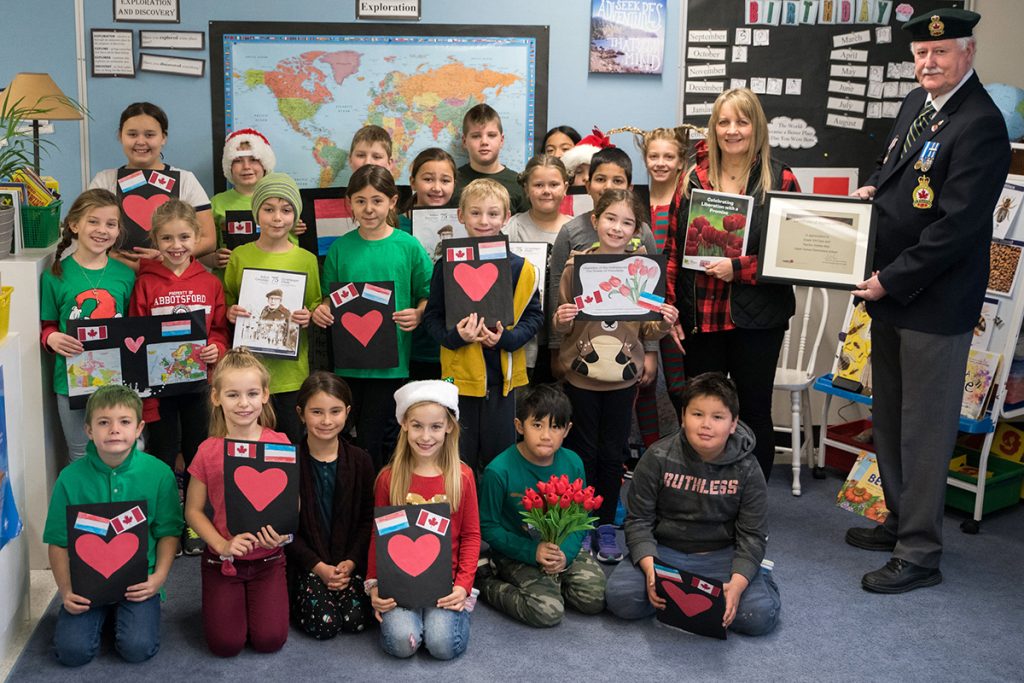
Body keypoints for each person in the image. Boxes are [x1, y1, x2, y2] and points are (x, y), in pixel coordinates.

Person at [846, 8, 1010, 594]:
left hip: (932, 303)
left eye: (940, 53)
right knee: (889, 417)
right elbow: (897, 169)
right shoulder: (920, 105)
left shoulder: (981, 123)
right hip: (893, 296)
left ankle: (919, 553)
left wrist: (891, 278)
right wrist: (873, 188)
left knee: (925, 428)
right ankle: (899, 519)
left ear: (966, 53)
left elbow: (957, 227)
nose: (928, 63)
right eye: (920, 54)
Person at [663, 88, 800, 480]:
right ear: (713, 127)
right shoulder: (693, 177)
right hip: (701, 314)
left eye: (742, 121)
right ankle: (701, 495)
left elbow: (790, 255)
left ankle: (750, 503)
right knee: (701, 409)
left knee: (754, 408)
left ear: (756, 126)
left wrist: (737, 269)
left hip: (758, 318)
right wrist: (669, 307)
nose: (732, 130)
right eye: (724, 122)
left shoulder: (781, 176)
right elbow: (673, 249)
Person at [604, 372, 780, 636]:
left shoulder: (748, 468)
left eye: (717, 417)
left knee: (756, 617)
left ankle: (759, 577)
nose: (706, 424)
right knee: (621, 599)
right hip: (665, 553)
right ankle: (684, 596)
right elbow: (638, 521)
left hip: (721, 555)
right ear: (683, 416)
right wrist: (652, 571)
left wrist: (738, 582)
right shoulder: (657, 456)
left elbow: (753, 535)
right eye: (697, 414)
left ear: (733, 424)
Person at [553, 189, 677, 563]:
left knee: (612, 455)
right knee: (581, 453)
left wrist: (665, 322)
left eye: (627, 222)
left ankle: (606, 524)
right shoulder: (577, 268)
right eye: (610, 219)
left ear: (637, 229)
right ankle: (580, 523)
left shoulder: (643, 271)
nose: (617, 228)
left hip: (623, 381)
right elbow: (561, 322)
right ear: (595, 221)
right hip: (580, 378)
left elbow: (649, 330)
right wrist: (562, 320)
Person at [43, 385, 183, 666]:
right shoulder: (69, 479)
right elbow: (58, 541)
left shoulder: (159, 474)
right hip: (86, 585)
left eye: (124, 422)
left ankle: (122, 616)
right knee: (72, 653)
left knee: (137, 649)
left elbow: (168, 532)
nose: (114, 430)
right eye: (104, 423)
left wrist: (158, 579)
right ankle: (101, 617)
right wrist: (66, 590)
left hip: (139, 583)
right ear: (88, 431)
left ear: (139, 427)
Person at [312, 165, 432, 470]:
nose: (369, 209)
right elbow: (328, 295)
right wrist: (323, 308)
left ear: (392, 201)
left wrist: (419, 312)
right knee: (351, 436)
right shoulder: (340, 248)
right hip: (349, 362)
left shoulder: (408, 246)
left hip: (391, 364)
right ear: (349, 203)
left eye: (377, 200)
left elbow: (428, 292)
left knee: (380, 437)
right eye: (361, 201)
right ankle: (358, 496)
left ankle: (381, 497)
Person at [422, 179, 544, 474]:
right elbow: (432, 318)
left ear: (506, 218)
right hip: (459, 384)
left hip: (502, 386)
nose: (484, 221)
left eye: (492, 214)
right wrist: (455, 337)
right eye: (475, 213)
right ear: (461, 216)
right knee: (457, 461)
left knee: (499, 464)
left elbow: (534, 317)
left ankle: (493, 520)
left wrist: (507, 339)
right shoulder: (445, 266)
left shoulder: (522, 268)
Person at [128, 199, 229, 555]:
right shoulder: (145, 283)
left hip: (200, 386)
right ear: (155, 240)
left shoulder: (209, 282)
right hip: (159, 390)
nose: (176, 246)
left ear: (197, 236)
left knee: (200, 453)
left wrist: (216, 347)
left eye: (184, 236)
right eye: (167, 238)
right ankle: (165, 523)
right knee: (162, 454)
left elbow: (218, 330)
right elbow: (135, 337)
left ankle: (195, 523)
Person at [184, 348, 291, 657]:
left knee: (270, 640)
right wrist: (221, 545)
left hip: (269, 560)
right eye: (233, 395)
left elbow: (291, 505)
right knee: (225, 645)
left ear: (265, 395)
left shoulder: (280, 444)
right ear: (216, 398)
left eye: (252, 393)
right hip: (223, 561)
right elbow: (192, 510)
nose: (243, 403)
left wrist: (283, 533)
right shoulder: (208, 450)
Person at [365, 380, 480, 660]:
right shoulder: (388, 479)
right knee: (403, 643)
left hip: (446, 585)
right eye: (417, 425)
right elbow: (378, 535)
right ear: (404, 424)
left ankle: (440, 620)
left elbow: (471, 535)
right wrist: (374, 585)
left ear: (449, 427)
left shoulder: (462, 477)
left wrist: (462, 586)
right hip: (399, 585)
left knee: (442, 646)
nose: (426, 436)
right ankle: (417, 623)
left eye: (435, 427)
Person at [477, 384, 606, 627]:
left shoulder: (573, 462)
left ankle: (551, 583)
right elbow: (488, 526)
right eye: (537, 425)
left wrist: (565, 556)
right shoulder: (499, 471)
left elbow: (580, 517)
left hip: (561, 549)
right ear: (519, 426)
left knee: (594, 599)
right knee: (547, 612)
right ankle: (485, 579)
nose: (546, 435)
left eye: (555, 426)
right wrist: (531, 552)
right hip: (516, 551)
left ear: (567, 430)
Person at [547, 146, 661, 380]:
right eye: (600, 179)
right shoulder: (570, 231)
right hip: (581, 349)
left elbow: (651, 295)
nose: (608, 186)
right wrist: (555, 347)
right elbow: (557, 291)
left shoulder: (643, 233)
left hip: (627, 349)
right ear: (587, 185)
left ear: (629, 188)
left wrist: (651, 351)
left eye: (617, 180)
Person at [224, 173, 322, 444]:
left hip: (291, 375)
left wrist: (308, 315)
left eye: (286, 210)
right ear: (257, 214)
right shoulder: (240, 256)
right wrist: (230, 312)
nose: (277, 217)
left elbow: (314, 303)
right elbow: (228, 299)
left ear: (295, 215)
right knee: (248, 442)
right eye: (268, 209)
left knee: (290, 444)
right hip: (246, 373)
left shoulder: (306, 259)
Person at [40, 189, 135, 462]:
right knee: (80, 453)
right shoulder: (55, 276)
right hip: (70, 382)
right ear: (74, 225)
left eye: (110, 224)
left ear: (118, 231)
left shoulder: (125, 275)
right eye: (93, 221)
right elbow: (47, 325)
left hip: (117, 381)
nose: (102, 230)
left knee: (124, 451)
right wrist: (51, 338)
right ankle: (85, 506)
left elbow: (132, 326)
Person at [287, 372, 375, 638]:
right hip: (307, 564)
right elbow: (285, 528)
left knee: (356, 620)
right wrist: (318, 566)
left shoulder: (361, 460)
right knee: (324, 625)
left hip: (348, 564)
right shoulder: (288, 461)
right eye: (317, 412)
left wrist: (350, 562)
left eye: (335, 411)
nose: (326, 420)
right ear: (301, 413)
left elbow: (367, 520)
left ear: (347, 412)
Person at [629, 125, 693, 446]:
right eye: (653, 156)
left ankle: (688, 448)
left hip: (677, 302)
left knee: (679, 384)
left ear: (681, 161)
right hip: (639, 301)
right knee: (645, 382)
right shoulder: (634, 198)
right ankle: (650, 452)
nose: (661, 162)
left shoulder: (689, 199)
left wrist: (672, 308)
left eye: (669, 156)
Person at [89, 102, 215, 265]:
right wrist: (117, 258)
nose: (141, 142)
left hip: (170, 277)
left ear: (163, 137)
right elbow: (87, 232)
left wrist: (166, 258)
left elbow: (209, 239)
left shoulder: (186, 179)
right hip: (115, 273)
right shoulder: (104, 180)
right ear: (121, 136)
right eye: (132, 134)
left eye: (149, 135)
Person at [505, 154, 571, 383]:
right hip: (523, 336)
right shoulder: (511, 228)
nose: (546, 191)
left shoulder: (575, 229)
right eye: (538, 185)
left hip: (564, 336)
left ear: (566, 187)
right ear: (526, 188)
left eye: (553, 184)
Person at [397, 147, 459, 380]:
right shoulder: (395, 227)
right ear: (413, 182)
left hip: (451, 341)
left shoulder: (466, 227)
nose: (437, 187)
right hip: (409, 343)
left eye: (445, 180)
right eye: (427, 179)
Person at [208, 128, 304, 275]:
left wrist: (295, 224)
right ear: (229, 167)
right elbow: (202, 246)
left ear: (265, 164)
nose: (246, 166)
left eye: (253, 160)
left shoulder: (283, 198)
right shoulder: (217, 203)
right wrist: (213, 259)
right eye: (238, 161)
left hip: (280, 274)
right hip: (232, 280)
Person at [454, 104, 528, 214]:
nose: (484, 142)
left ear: (501, 140)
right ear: (464, 141)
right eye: (476, 136)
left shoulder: (518, 184)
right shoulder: (452, 182)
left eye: (491, 135)